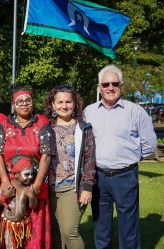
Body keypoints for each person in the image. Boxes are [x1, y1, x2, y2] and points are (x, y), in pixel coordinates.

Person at [84, 64, 157, 249]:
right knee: (101, 226)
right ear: (99, 87)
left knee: (129, 227)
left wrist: (129, 157)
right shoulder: (89, 112)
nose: (110, 87)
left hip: (125, 176)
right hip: (98, 177)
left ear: (121, 85)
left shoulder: (135, 111)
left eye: (114, 83)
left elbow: (149, 144)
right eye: (106, 83)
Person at [0, 86, 51, 249]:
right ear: (13, 104)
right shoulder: (4, 125)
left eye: (28, 100)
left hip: (36, 187)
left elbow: (46, 155)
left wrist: (37, 185)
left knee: (33, 237)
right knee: (11, 236)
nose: (24, 104)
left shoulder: (42, 122)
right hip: (11, 189)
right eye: (20, 101)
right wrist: (5, 181)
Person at [42, 86, 96, 249]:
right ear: (52, 104)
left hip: (72, 189)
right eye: (59, 102)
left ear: (75, 104)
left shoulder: (83, 128)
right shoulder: (46, 128)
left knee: (69, 232)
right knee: (55, 232)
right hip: (48, 189)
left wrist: (87, 186)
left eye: (68, 102)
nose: (64, 106)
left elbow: (90, 158)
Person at [0, 156, 38, 249]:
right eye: (27, 174)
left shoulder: (28, 188)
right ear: (15, 174)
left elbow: (33, 206)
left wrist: (31, 197)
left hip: (22, 226)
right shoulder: (6, 186)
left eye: (31, 174)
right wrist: (5, 196)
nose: (30, 177)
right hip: (8, 225)